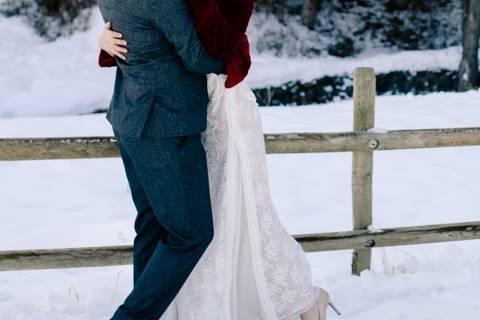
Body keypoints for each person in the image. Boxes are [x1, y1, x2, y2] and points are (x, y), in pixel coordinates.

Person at [98, 0, 341, 319]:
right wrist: (237, 53)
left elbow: (137, 37)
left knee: (152, 225)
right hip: (165, 122)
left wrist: (104, 45)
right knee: (190, 234)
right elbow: (196, 56)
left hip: (131, 115)